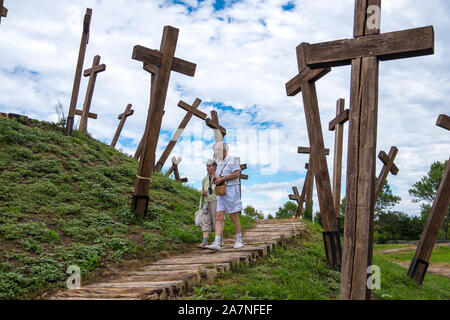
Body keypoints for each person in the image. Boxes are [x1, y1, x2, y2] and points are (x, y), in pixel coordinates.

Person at [206, 142, 244, 251]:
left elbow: (237, 174)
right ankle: (217, 242)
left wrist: (223, 179)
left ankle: (239, 240)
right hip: (221, 192)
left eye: (217, 151)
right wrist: (214, 178)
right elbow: (215, 175)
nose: (215, 153)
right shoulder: (218, 162)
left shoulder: (232, 160)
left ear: (224, 151)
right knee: (219, 216)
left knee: (233, 215)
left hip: (232, 191)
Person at [199, 159, 218, 248]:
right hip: (207, 202)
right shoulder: (204, 179)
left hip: (216, 201)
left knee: (216, 221)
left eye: (209, 166)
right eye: (207, 166)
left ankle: (219, 240)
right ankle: (204, 241)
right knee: (205, 220)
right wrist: (203, 192)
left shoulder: (218, 177)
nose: (207, 168)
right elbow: (203, 189)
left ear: (214, 167)